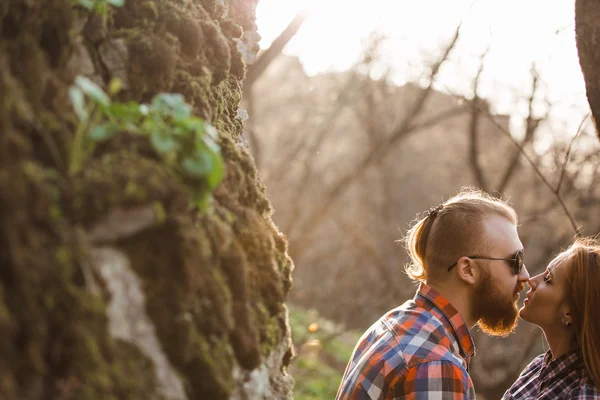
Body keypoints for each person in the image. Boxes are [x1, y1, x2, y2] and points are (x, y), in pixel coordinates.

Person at [335, 188, 530, 399]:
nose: (525, 276)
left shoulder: (394, 323)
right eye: (515, 262)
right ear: (467, 270)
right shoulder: (435, 365)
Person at [503, 238, 600, 399]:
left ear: (570, 313)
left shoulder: (583, 394)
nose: (531, 281)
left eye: (548, 280)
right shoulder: (536, 368)